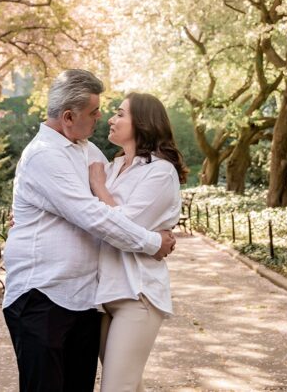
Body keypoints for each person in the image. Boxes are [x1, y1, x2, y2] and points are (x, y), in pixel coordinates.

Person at [2, 70, 176, 392]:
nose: (102, 117)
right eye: (94, 112)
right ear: (68, 117)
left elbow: (115, 207)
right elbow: (92, 215)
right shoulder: (43, 156)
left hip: (86, 302)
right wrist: (153, 242)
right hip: (42, 296)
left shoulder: (92, 153)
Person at [88, 93, 186, 392]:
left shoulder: (160, 171)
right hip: (103, 296)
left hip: (137, 296)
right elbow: (79, 209)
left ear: (142, 123)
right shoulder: (113, 165)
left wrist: (100, 189)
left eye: (120, 114)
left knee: (116, 388)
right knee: (130, 386)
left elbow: (125, 228)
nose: (111, 119)